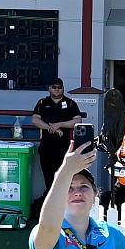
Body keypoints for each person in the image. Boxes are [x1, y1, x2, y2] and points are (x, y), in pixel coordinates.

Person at [30, 78, 86, 207]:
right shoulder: (42, 103)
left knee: (64, 178)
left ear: (63, 88)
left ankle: (65, 207)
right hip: (46, 148)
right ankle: (50, 207)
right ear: (49, 88)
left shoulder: (70, 103)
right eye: (54, 87)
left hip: (64, 148)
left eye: (59, 87)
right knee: (49, 179)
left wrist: (59, 124)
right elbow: (35, 120)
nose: (57, 89)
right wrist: (50, 127)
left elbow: (77, 120)